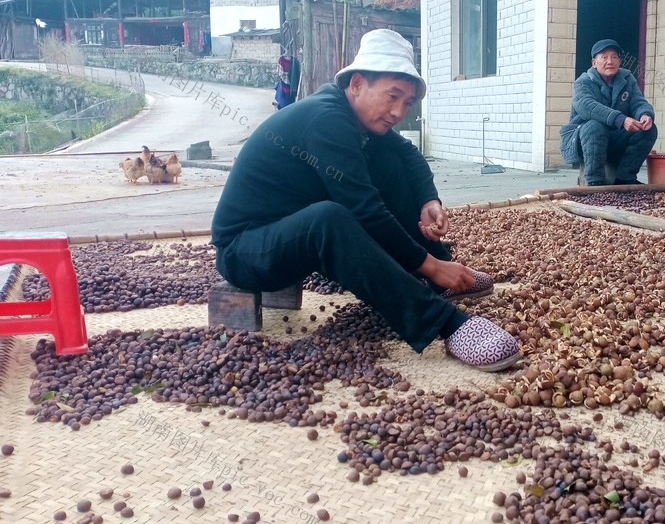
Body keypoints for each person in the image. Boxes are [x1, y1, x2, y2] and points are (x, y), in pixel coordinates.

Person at [211, 29, 523, 372]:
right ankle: (445, 324)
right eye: (392, 96)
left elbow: (407, 153)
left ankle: (438, 277)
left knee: (388, 163)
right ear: (357, 84)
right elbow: (365, 212)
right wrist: (429, 264)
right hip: (246, 250)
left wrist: (427, 200)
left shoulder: (353, 116)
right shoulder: (326, 118)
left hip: (288, 234)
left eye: (407, 102)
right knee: (328, 219)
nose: (398, 111)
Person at [559, 38, 657, 186]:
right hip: (585, 139)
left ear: (619, 61)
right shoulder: (583, 82)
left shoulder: (628, 79)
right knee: (594, 126)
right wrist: (621, 119)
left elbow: (638, 101)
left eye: (614, 57)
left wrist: (645, 114)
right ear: (594, 62)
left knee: (648, 130)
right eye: (604, 57)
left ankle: (625, 178)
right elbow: (587, 107)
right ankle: (594, 181)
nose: (609, 61)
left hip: (614, 138)